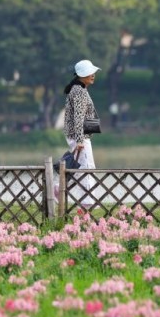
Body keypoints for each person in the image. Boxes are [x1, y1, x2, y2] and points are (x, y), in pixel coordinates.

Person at [60, 59, 101, 208]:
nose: (93, 75)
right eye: (90, 73)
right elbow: (78, 116)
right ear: (81, 75)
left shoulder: (80, 89)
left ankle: (60, 190)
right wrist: (79, 140)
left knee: (81, 168)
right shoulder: (79, 91)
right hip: (80, 137)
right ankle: (87, 204)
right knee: (87, 168)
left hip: (81, 136)